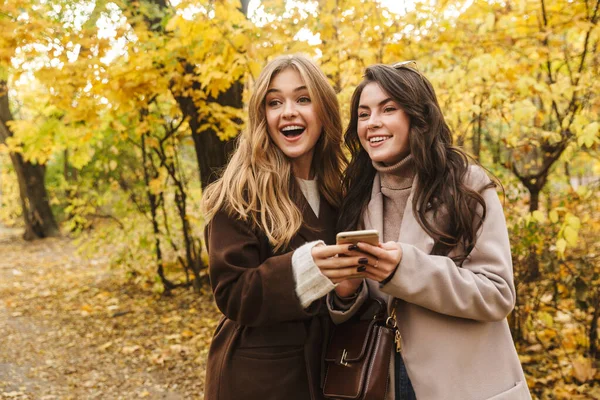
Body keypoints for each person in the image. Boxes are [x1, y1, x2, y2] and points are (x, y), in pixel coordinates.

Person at [326, 63, 532, 400]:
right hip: (383, 378)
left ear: (416, 116)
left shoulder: (466, 185)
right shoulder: (357, 196)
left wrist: (404, 269)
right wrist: (346, 294)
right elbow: (368, 304)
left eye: (388, 109)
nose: (372, 122)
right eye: (363, 114)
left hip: (463, 382)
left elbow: (497, 294)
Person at [201, 54, 359, 400]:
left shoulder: (341, 190)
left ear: (324, 113)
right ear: (263, 117)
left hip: (334, 374)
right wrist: (308, 269)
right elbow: (232, 292)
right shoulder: (240, 192)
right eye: (275, 102)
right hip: (260, 377)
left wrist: (347, 292)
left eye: (303, 99)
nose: (288, 111)